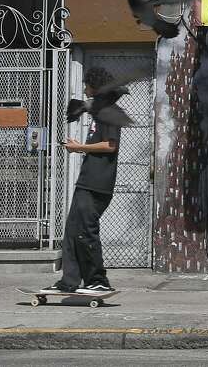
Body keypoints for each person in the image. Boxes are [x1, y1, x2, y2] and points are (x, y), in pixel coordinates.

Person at [43, 66, 121, 296]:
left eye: (87, 84)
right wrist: (79, 145)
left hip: (97, 184)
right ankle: (69, 281)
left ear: (95, 87)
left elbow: (110, 145)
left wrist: (79, 148)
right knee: (72, 231)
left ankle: (98, 280)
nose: (85, 88)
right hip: (87, 181)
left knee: (85, 231)